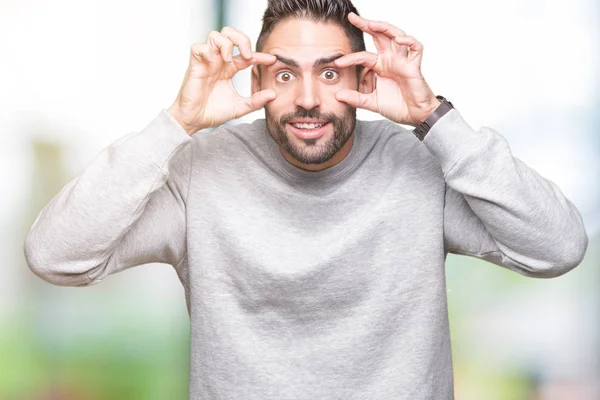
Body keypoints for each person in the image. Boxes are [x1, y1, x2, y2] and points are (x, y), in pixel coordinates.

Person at [23, 0, 588, 399]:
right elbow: (56, 255)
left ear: (366, 82)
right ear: (254, 81)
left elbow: (557, 247)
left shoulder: (419, 162)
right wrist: (177, 123)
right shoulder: (203, 169)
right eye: (286, 74)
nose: (310, 98)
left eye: (332, 72)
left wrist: (433, 118)